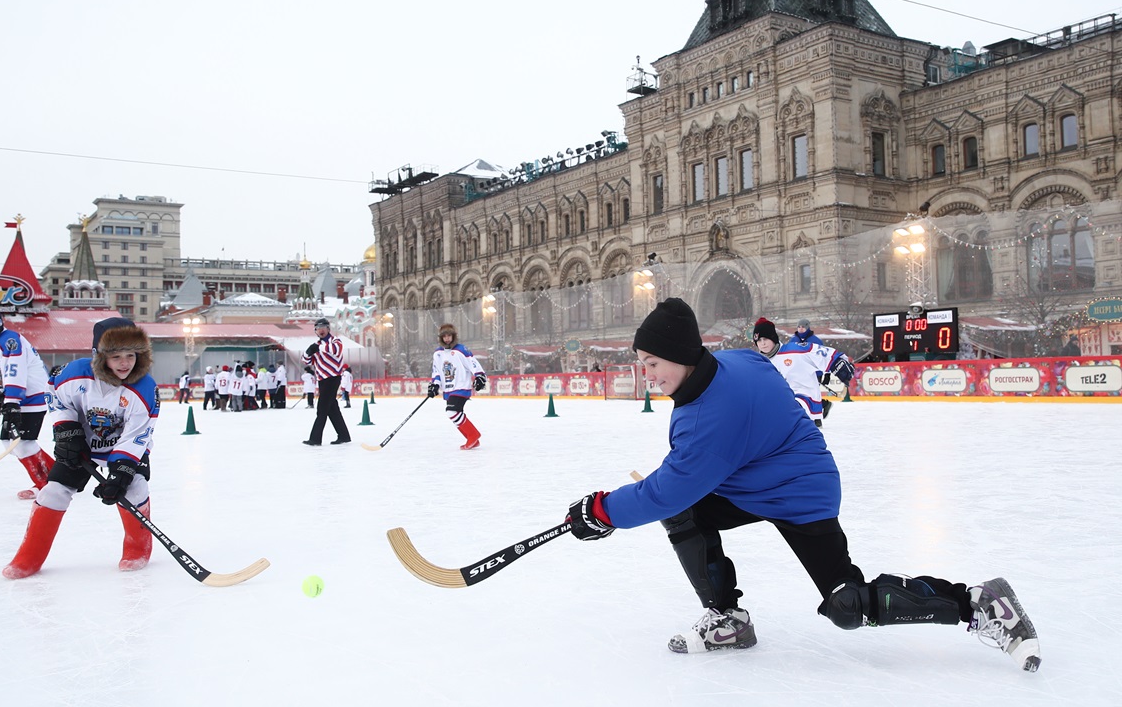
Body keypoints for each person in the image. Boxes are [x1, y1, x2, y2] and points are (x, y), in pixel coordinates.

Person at [564, 298, 1041, 672]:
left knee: (846, 604)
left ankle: (976, 602)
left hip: (801, 489)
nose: (647, 376)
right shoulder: (736, 362)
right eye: (643, 365)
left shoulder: (712, 415)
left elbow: (668, 488)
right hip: (751, 483)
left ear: (682, 355)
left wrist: (601, 511)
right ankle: (728, 621)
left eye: (652, 363)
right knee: (684, 510)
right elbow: (691, 473)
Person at [2, 317, 160, 579]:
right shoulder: (73, 374)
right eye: (116, 356)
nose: (125, 363)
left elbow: (137, 435)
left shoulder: (144, 388)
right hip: (83, 446)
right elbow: (55, 396)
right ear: (99, 356)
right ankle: (28, 557)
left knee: (134, 487)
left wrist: (120, 472)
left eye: (131, 355)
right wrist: (67, 431)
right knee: (53, 491)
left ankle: (137, 549)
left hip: (122, 447)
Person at [0, 304, 55, 499]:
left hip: (32, 395)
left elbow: (16, 371)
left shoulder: (9, 340)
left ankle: (47, 484)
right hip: (20, 396)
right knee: (9, 441)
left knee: (22, 442)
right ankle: (57, 478)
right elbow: (3, 372)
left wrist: (11, 401)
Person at [753, 317, 854, 427]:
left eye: (765, 339)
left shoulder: (795, 350)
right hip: (782, 410)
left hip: (805, 405)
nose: (762, 344)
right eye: (759, 341)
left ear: (773, 338)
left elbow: (820, 352)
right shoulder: (758, 362)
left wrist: (837, 361)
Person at [427, 323, 486, 450]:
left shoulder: (461, 349)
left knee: (452, 411)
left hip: (461, 386)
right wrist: (434, 385)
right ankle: (473, 439)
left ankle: (473, 436)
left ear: (454, 336)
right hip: (449, 389)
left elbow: (473, 363)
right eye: (444, 336)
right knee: (454, 413)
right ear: (441, 338)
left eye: (449, 335)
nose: (447, 338)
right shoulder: (437, 353)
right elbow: (436, 372)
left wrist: (479, 376)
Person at [302, 318, 351, 446]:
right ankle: (344, 435)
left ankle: (315, 438)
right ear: (315, 331)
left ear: (328, 329)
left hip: (332, 378)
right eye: (318, 328)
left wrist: (318, 348)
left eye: (323, 327)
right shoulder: (317, 345)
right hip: (322, 379)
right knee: (332, 409)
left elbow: (335, 350)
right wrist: (309, 351)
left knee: (322, 409)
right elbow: (305, 361)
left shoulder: (335, 341)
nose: (321, 330)